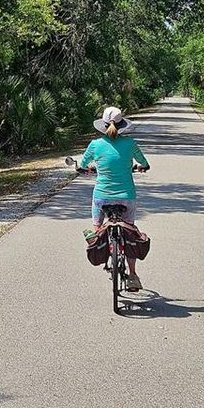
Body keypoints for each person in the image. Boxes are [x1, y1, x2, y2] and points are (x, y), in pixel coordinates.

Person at [78, 106, 150, 291]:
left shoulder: (95, 144)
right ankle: (132, 275)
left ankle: (96, 238)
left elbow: (83, 164)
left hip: (102, 197)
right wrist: (141, 167)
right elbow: (144, 163)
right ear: (122, 125)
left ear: (102, 125)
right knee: (129, 231)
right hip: (127, 197)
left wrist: (85, 168)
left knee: (98, 227)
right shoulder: (130, 143)